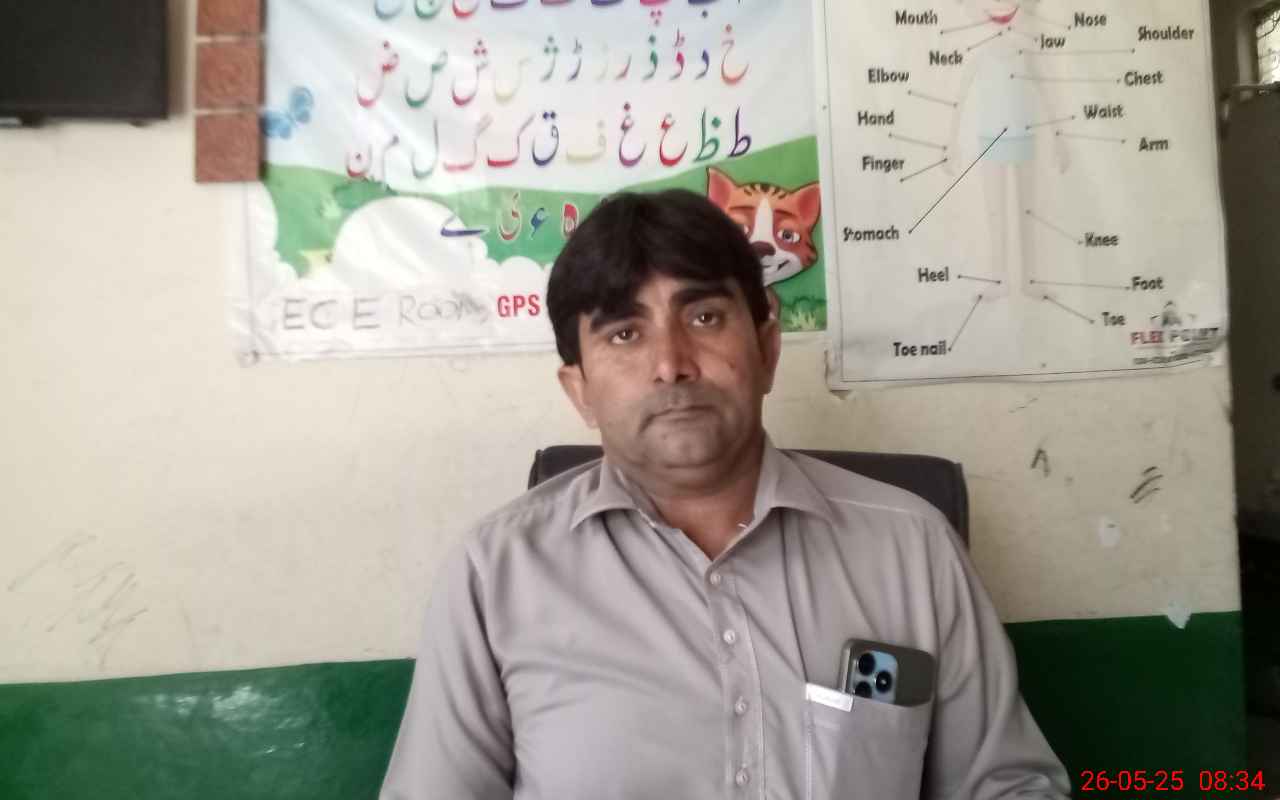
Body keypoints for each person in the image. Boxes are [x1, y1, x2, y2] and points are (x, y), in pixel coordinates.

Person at [379, 189, 1071, 799]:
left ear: (767, 348)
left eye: (705, 317)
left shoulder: (912, 548)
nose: (671, 364)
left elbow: (1007, 785)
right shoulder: (495, 575)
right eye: (625, 333)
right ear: (580, 390)